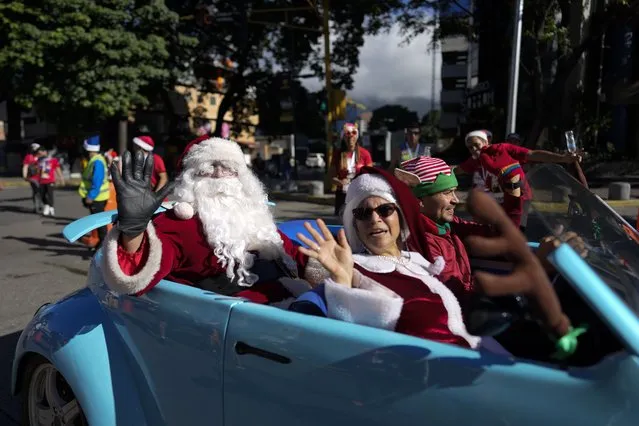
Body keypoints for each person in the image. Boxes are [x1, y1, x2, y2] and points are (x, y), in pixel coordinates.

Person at [290, 168, 574, 353]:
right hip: (433, 376)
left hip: (475, 352)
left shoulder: (416, 260)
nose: (374, 218)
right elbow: (348, 345)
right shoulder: (357, 266)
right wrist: (340, 281)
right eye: (362, 213)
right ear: (354, 223)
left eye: (385, 209)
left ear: (400, 216)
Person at [102, 135, 326, 305]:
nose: (219, 174)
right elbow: (135, 276)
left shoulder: (255, 220)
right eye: (208, 167)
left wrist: (338, 270)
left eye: (229, 167)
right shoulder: (176, 226)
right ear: (190, 178)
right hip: (238, 328)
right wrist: (133, 230)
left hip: (294, 309)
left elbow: (300, 257)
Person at [456, 129, 580, 232]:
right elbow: (458, 170)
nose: (474, 149)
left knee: (516, 230)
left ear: (485, 141)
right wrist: (438, 170)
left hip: (519, 194)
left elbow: (533, 154)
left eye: (476, 145)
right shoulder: (475, 160)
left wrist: (562, 158)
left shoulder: (503, 148)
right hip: (499, 199)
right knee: (497, 230)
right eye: (470, 147)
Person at [329, 122, 373, 216]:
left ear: (356, 136)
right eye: (347, 135)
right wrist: (340, 182)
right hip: (343, 194)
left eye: (353, 134)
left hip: (359, 194)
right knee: (342, 224)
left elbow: (370, 177)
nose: (350, 138)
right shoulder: (338, 154)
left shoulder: (365, 154)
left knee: (359, 224)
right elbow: (331, 177)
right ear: (343, 137)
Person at [78, 135, 110, 248]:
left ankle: (103, 245)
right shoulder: (96, 160)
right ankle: (102, 244)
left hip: (97, 198)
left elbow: (97, 181)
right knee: (98, 222)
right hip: (98, 197)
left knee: (100, 223)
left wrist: (90, 196)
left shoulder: (97, 162)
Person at [35, 146, 65, 217]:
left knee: (50, 194)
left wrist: (61, 178)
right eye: (39, 154)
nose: (40, 155)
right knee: (41, 194)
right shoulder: (39, 161)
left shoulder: (53, 160)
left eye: (41, 153)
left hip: (50, 180)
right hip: (41, 180)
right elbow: (38, 171)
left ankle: (51, 207)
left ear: (45, 152)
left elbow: (57, 169)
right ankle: (47, 205)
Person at [22, 142, 43, 213]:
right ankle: (37, 206)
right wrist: (24, 176)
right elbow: (25, 166)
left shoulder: (41, 156)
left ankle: (40, 205)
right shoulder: (28, 157)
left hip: (41, 177)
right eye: (38, 149)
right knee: (36, 190)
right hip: (32, 177)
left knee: (41, 191)